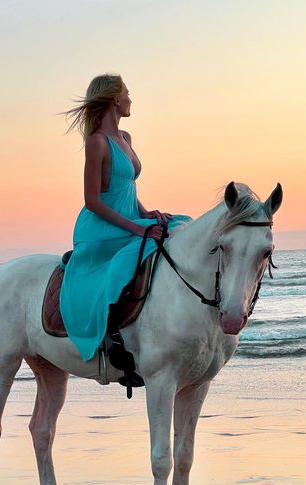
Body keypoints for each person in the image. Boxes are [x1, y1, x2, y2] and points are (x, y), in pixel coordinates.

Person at [59, 73, 191, 382]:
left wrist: (147, 214)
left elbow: (126, 188)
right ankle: (114, 341)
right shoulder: (97, 143)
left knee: (180, 224)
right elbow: (93, 200)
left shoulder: (126, 138)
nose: (131, 99)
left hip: (130, 220)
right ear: (115, 99)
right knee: (124, 262)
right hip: (102, 228)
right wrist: (136, 228)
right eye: (127, 93)